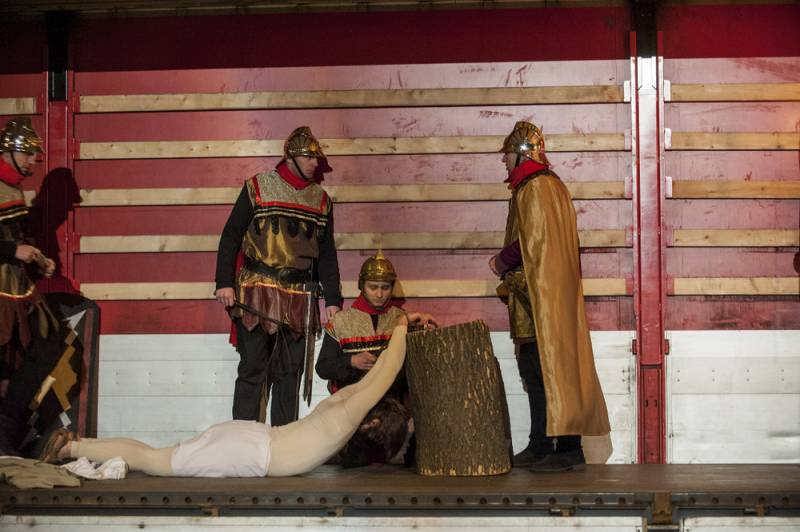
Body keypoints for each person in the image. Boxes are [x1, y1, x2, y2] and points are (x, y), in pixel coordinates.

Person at [42, 321, 409, 478]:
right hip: (251, 452)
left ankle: (75, 445)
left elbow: (379, 372)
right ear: (374, 424)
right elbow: (389, 369)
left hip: (251, 439)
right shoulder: (348, 418)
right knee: (153, 460)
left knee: (156, 455)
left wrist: (401, 328)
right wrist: (403, 324)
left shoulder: (345, 402)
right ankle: (71, 449)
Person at [489, 120, 610, 472]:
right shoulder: (536, 186)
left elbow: (534, 239)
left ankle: (568, 449)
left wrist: (501, 261)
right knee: (533, 368)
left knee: (552, 368)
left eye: (507, 154)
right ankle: (540, 443)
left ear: (522, 153)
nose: (503, 160)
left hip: (541, 295)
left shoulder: (538, 186)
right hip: (533, 295)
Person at [215, 126, 342, 426]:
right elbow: (231, 235)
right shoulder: (257, 187)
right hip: (256, 291)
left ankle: (284, 440)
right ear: (292, 157)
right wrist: (224, 283)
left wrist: (333, 300)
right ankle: (243, 438)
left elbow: (326, 253)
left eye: (317, 159)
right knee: (253, 369)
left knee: (289, 374)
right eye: (310, 158)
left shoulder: (321, 200)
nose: (316, 164)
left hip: (299, 297)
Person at [0, 117, 61, 455]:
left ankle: (7, 428)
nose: (33, 161)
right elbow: (9, 244)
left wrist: (36, 257)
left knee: (46, 344)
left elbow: (15, 237)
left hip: (15, 287)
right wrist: (13, 251)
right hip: (3, 291)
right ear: (9, 151)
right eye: (28, 154)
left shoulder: (14, 187)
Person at [315, 250, 436, 395]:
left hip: (392, 401)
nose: (379, 294)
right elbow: (323, 367)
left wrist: (427, 336)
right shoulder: (340, 321)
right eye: (373, 287)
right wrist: (351, 361)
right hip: (351, 401)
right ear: (362, 286)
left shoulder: (402, 319)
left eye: (385, 288)